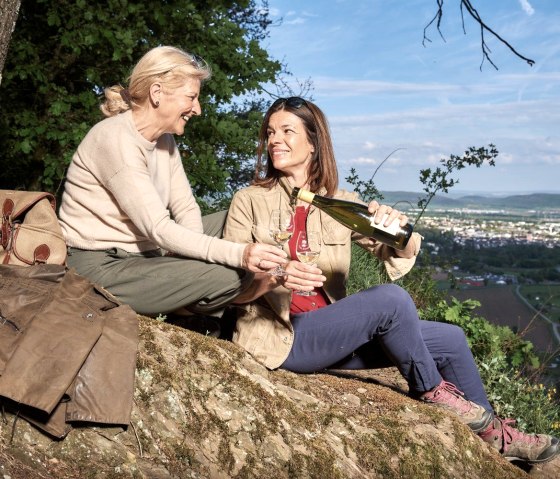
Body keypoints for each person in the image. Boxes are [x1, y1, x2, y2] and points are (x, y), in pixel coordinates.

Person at [223, 96, 559, 464]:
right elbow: (231, 291)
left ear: (314, 143)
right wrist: (275, 277)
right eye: (270, 132)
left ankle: (498, 438)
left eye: (287, 131)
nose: (275, 140)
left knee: (451, 338)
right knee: (391, 301)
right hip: (282, 337)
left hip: (333, 332)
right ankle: (432, 392)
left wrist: (397, 230)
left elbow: (396, 253)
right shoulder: (248, 201)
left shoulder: (340, 201)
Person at [58, 46, 287, 319]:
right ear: (157, 93)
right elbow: (158, 228)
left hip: (146, 254)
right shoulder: (115, 139)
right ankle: (186, 311)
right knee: (230, 275)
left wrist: (197, 258)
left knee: (242, 217)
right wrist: (241, 255)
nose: (198, 109)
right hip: (99, 265)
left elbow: (186, 208)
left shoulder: (164, 139)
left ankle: (184, 288)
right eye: (191, 97)